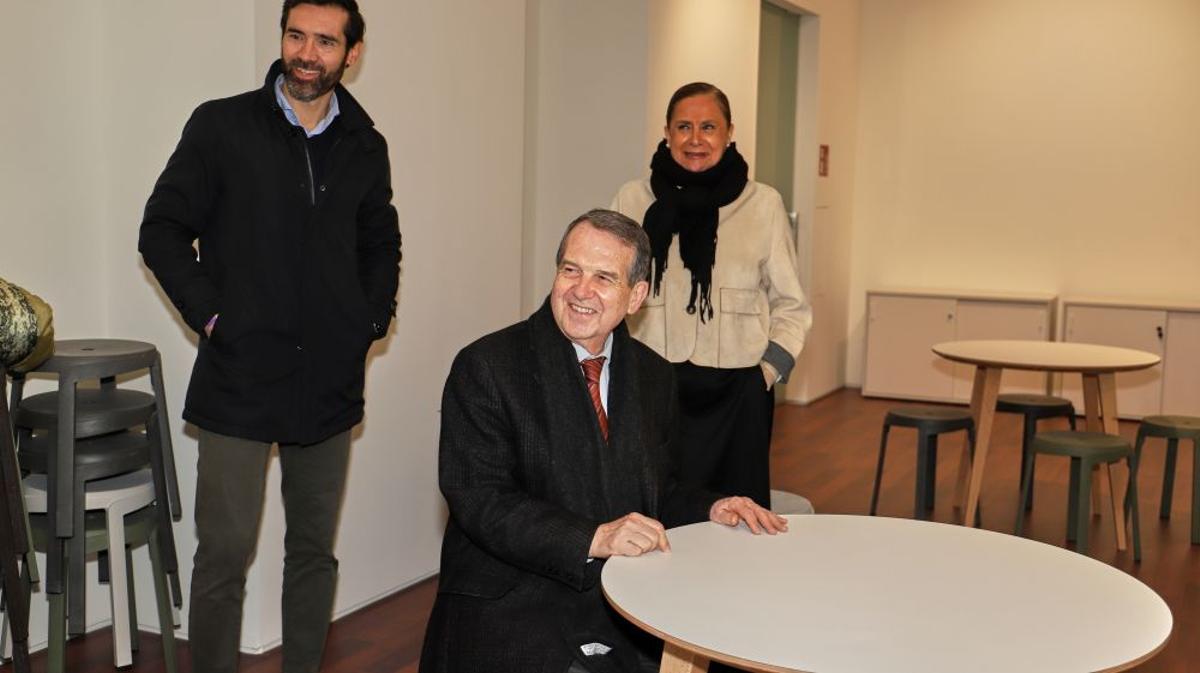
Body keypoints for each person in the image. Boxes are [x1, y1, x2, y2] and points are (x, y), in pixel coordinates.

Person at [137, 1, 400, 671]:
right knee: (223, 552)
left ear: (352, 53)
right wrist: (214, 316)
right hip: (239, 377)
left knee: (313, 550)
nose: (307, 53)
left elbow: (380, 240)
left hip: (329, 378)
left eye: (325, 41)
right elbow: (161, 229)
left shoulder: (365, 144)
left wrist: (370, 319)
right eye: (296, 35)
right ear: (283, 38)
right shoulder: (221, 125)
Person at [419, 209, 786, 673]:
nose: (581, 290)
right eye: (570, 269)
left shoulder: (654, 375)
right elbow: (481, 500)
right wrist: (593, 538)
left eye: (603, 277)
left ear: (636, 296)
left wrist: (711, 508)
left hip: (622, 603)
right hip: (517, 604)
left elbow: (659, 491)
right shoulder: (488, 366)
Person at [611, 82, 812, 509]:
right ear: (666, 132)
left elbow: (791, 302)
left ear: (729, 132)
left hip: (738, 392)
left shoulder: (763, 204)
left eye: (708, 127)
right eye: (684, 126)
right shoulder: (633, 200)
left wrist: (767, 373)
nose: (695, 139)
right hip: (652, 387)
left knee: (739, 515)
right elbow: (611, 288)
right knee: (652, 509)